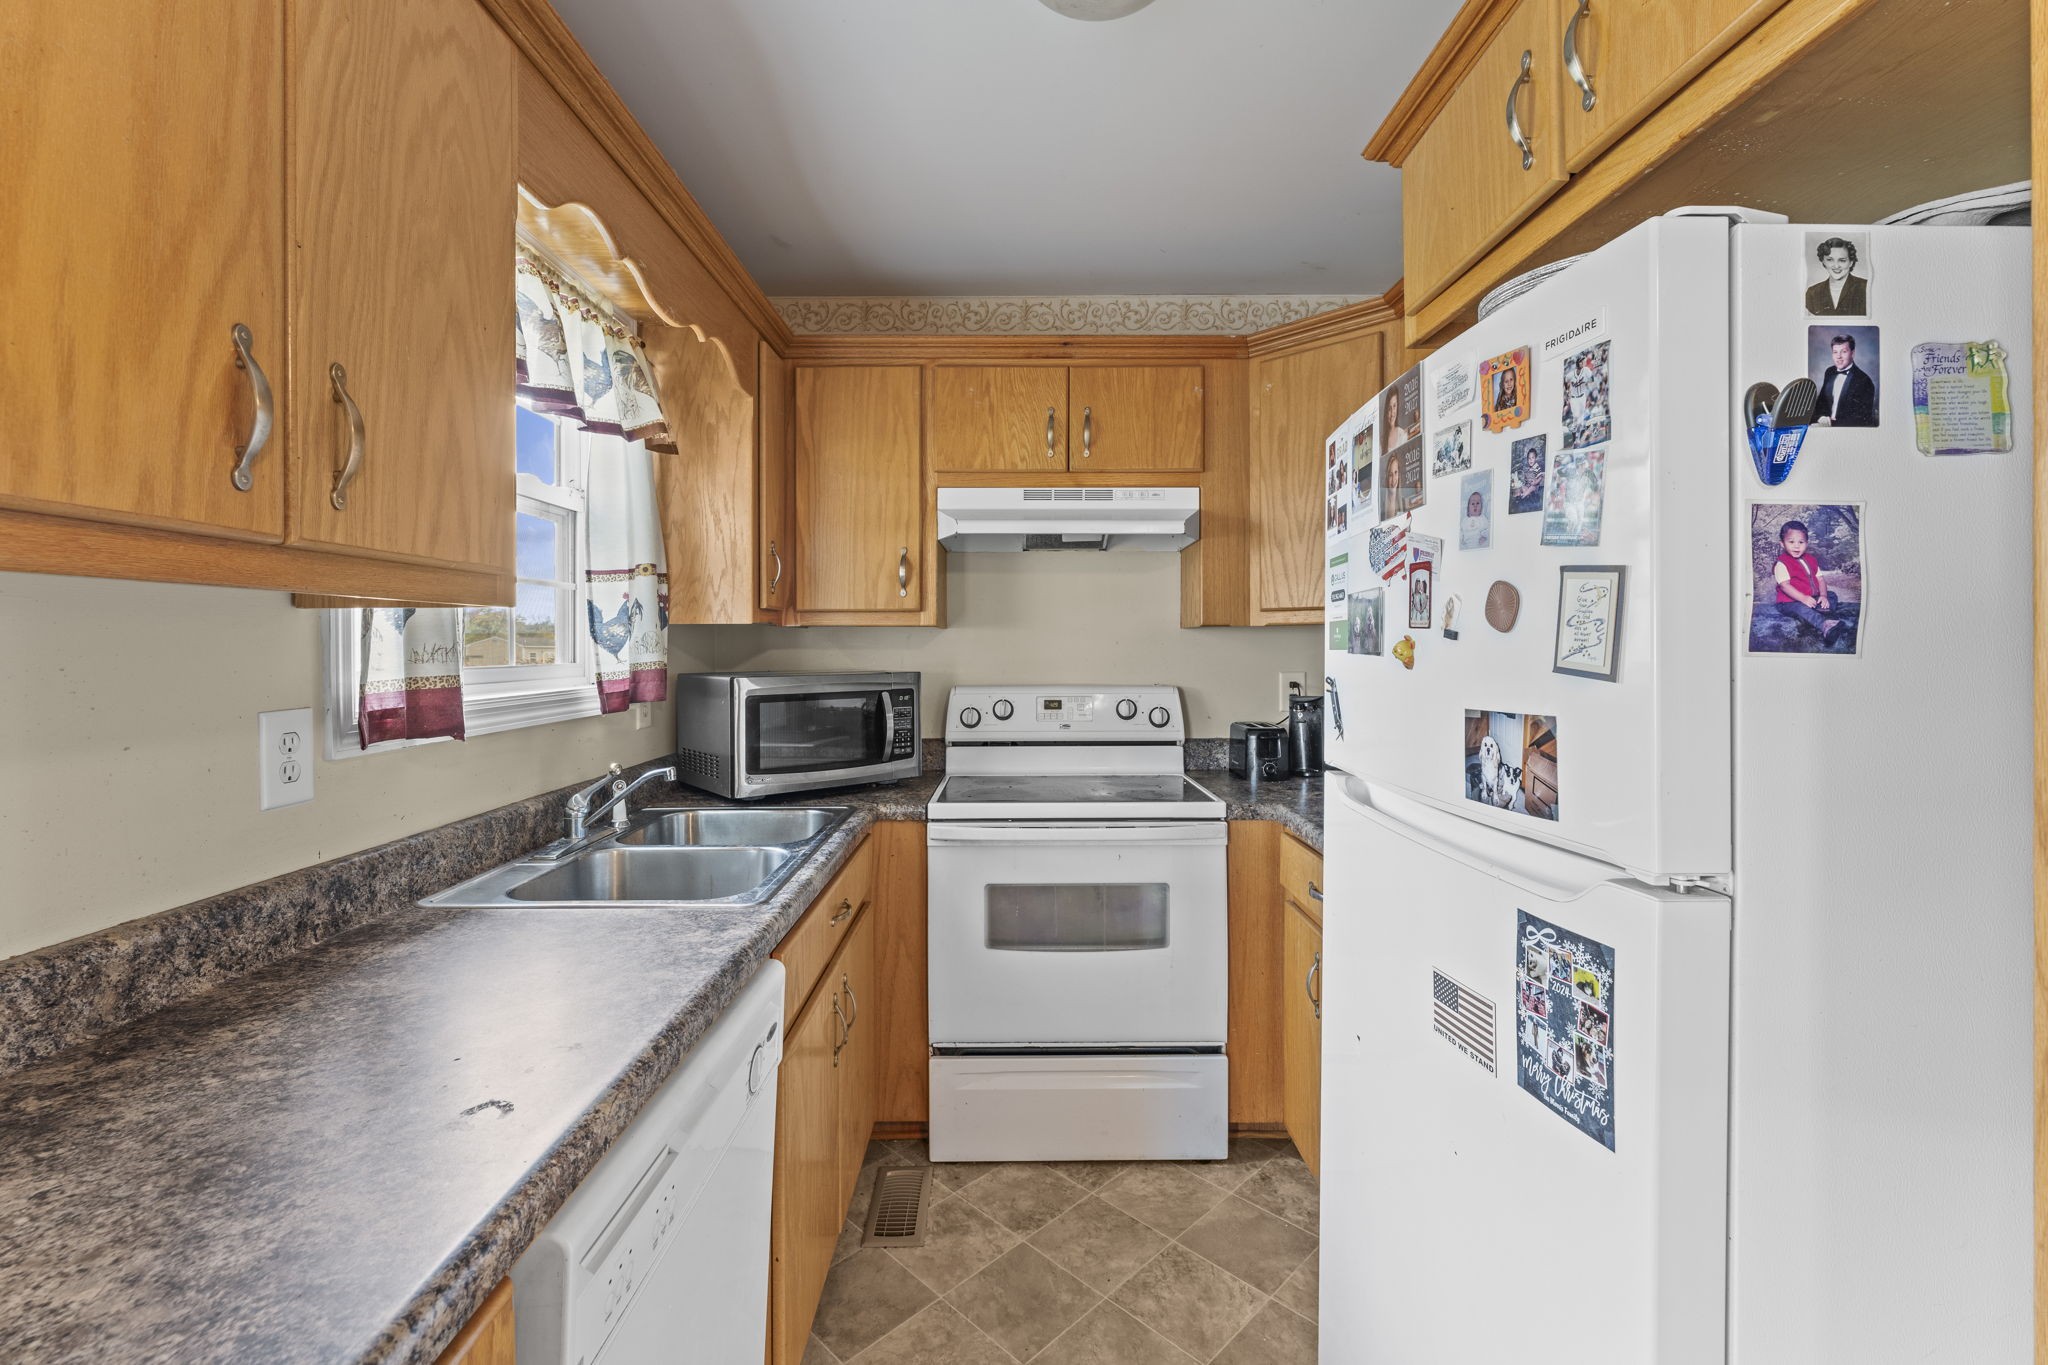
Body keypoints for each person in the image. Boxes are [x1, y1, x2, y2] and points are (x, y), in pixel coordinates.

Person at [1772, 519, 1849, 647]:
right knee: (1800, 608)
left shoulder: (1811, 559)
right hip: (1789, 602)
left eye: (1801, 542)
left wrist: (1823, 596)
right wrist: (1802, 598)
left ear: (1807, 543)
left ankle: (1824, 610)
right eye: (1791, 542)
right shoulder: (1782, 563)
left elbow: (1820, 579)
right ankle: (1825, 626)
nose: (1796, 546)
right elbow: (1785, 586)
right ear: (1782, 544)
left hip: (1811, 597)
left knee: (1831, 595)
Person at [1815, 333, 1877, 426]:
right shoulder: (1829, 372)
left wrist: (1832, 423)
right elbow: (1821, 403)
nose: (1838, 356)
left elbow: (1863, 420)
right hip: (1823, 427)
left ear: (1852, 353)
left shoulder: (1864, 381)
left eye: (1844, 351)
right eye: (1835, 352)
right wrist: (1819, 418)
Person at [1805, 237, 1870, 315]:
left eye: (1842, 260)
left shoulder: (1867, 287)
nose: (1836, 266)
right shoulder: (1813, 292)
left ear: (1851, 262)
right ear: (1823, 261)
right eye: (1830, 260)